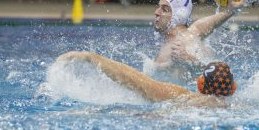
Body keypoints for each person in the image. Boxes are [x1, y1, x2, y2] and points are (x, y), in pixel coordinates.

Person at [57, 51, 237, 106]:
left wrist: (91, 57)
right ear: (233, 88)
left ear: (200, 84)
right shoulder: (239, 107)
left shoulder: (185, 97)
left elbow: (135, 80)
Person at [153, 0, 247, 81]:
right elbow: (210, 23)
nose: (157, 12)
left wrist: (187, 58)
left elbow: (213, 74)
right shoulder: (192, 31)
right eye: (159, 7)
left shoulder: (185, 41)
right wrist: (230, 11)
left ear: (178, 16)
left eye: (164, 9)